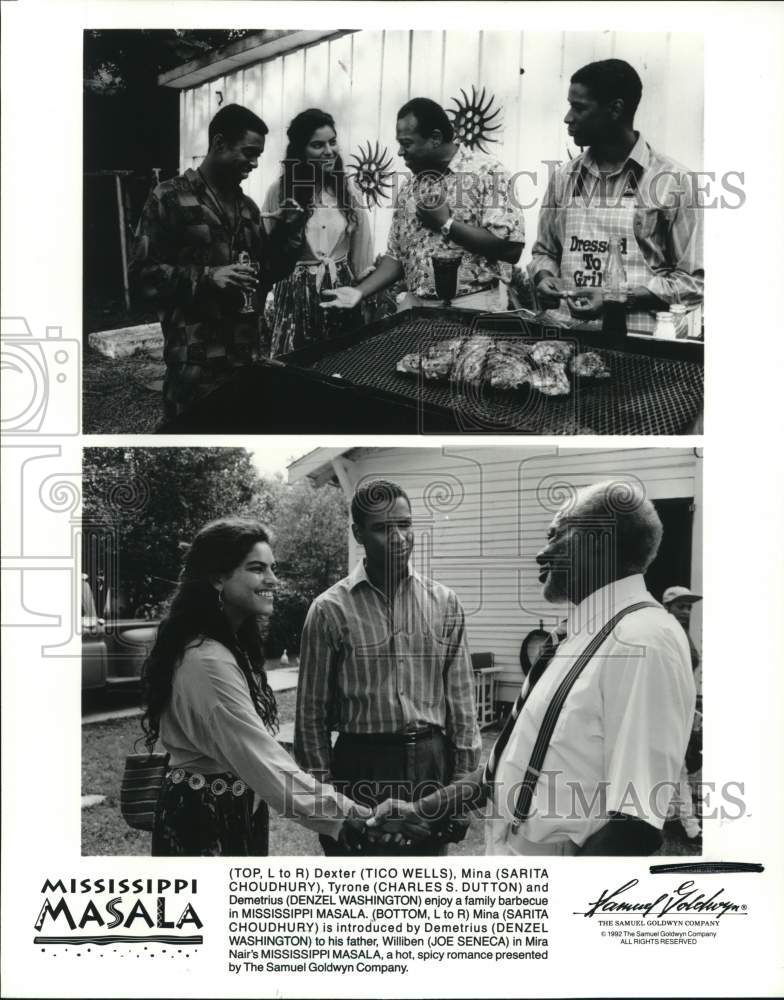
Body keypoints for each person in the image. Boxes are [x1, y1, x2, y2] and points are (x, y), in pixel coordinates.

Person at [371, 480, 696, 857]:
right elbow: (504, 767)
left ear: (596, 542)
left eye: (554, 535)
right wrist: (420, 810)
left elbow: (635, 826)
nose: (541, 554)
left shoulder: (642, 640)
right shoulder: (575, 636)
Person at [140, 517, 372, 856]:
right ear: (218, 576)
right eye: (257, 569)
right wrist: (346, 815)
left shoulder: (220, 646)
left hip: (223, 807)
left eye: (273, 568)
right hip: (204, 819)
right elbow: (260, 758)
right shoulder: (207, 659)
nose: (273, 580)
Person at [293, 479, 481, 856]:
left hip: (431, 763)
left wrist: (460, 792)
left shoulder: (444, 603)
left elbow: (462, 707)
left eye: (404, 525)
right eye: (381, 528)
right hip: (362, 765)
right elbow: (310, 718)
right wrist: (328, 804)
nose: (397, 538)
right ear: (358, 533)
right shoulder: (329, 610)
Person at [130, 104, 304, 424]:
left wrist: (290, 235)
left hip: (245, 367)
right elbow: (142, 276)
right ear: (219, 144)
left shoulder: (249, 209)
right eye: (249, 153)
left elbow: (264, 274)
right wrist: (208, 277)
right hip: (194, 370)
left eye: (258, 156)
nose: (253, 164)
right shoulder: (169, 197)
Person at [529, 59, 703, 334]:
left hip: (641, 345)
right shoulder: (564, 177)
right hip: (566, 336)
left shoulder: (674, 181)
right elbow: (544, 252)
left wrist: (619, 298)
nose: (568, 118)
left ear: (615, 109)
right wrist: (544, 276)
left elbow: (694, 283)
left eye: (579, 107)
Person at [321, 97, 524, 315]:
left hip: (474, 308)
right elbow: (396, 256)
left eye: (407, 143)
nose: (400, 152)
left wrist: (446, 224)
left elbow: (511, 248)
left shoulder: (489, 173)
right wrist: (359, 292)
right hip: (417, 310)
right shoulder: (410, 187)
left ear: (435, 138)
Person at [262, 108, 374, 355]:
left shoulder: (348, 191)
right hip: (294, 296)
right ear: (300, 150)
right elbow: (268, 250)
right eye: (317, 145)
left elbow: (362, 249)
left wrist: (362, 293)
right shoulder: (279, 192)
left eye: (332, 142)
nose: (329, 151)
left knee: (342, 363)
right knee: (297, 367)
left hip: (340, 291)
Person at [662, 585, 703, 845]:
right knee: (679, 768)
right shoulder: (666, 633)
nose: (686, 611)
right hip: (667, 710)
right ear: (667, 607)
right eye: (681, 606)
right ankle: (691, 828)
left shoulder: (681, 634)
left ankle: (672, 817)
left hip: (681, 708)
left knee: (677, 767)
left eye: (689, 607)